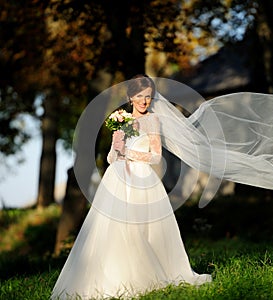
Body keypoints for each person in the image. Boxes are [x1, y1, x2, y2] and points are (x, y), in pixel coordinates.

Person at [50, 75, 212, 300]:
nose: (144, 101)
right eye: (139, 96)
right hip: (116, 180)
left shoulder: (152, 121)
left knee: (142, 229)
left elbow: (155, 157)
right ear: (129, 97)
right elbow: (110, 159)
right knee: (114, 229)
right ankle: (114, 277)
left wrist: (129, 153)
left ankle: (147, 276)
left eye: (148, 97)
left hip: (142, 179)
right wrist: (116, 147)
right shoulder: (121, 120)